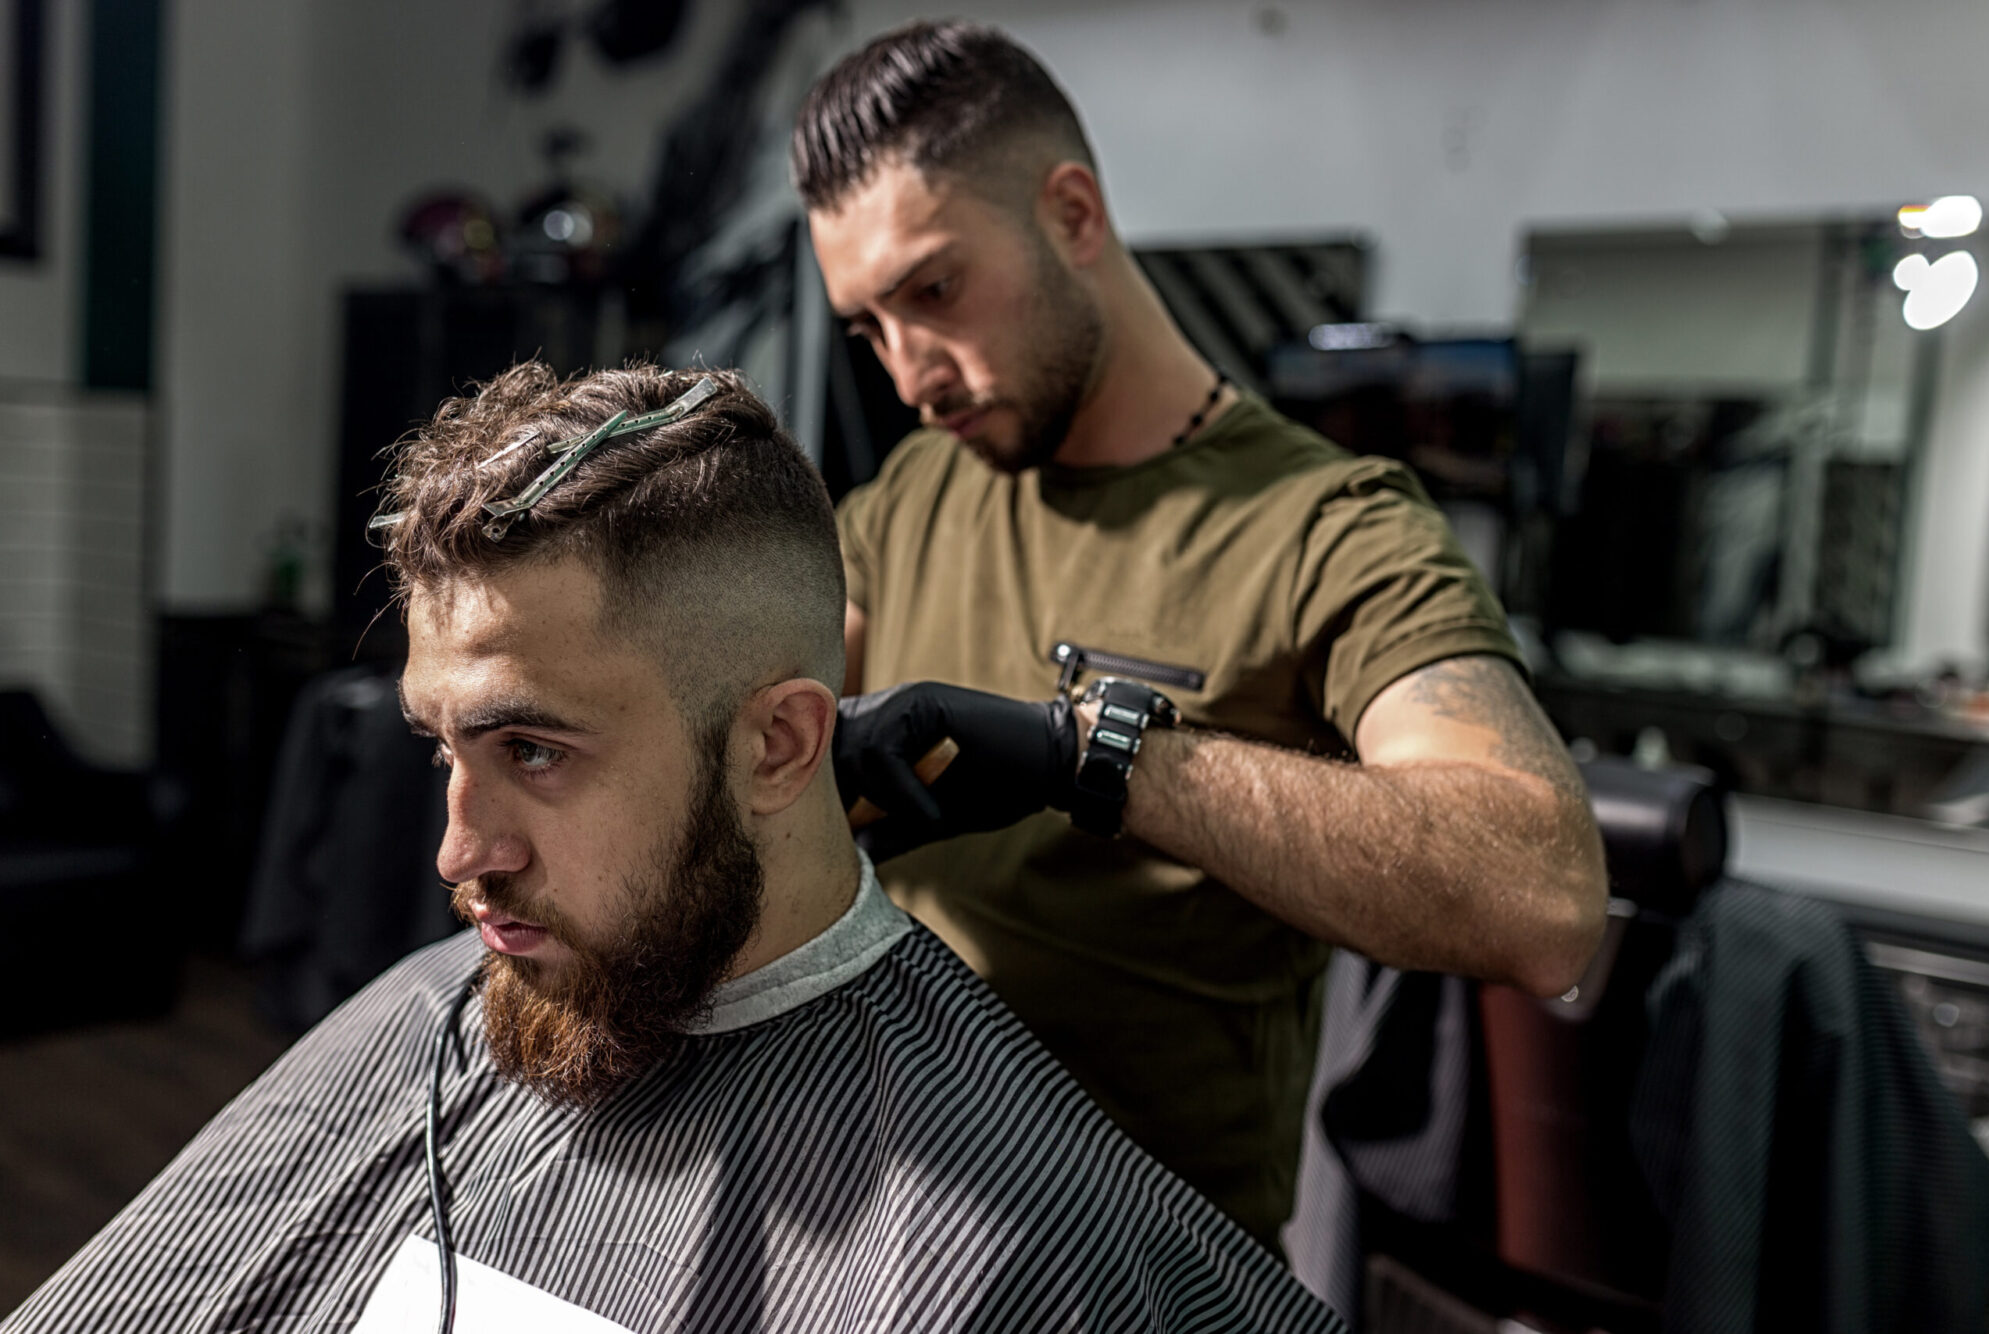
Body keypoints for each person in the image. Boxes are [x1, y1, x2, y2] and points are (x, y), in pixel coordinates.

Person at [5, 366, 1343, 1333]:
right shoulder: (420, 1016)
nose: (456, 852)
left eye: (533, 749)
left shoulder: (1016, 1237)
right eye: (442, 747)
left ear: (776, 746)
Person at [798, 22, 1610, 1250]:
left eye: (934, 289)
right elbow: (777, 744)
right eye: (868, 326)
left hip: (1147, 1265)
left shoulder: (1330, 529)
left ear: (1072, 213)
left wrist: (1095, 757)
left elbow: (1539, 894)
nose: (912, 372)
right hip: (895, 1214)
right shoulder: (908, 497)